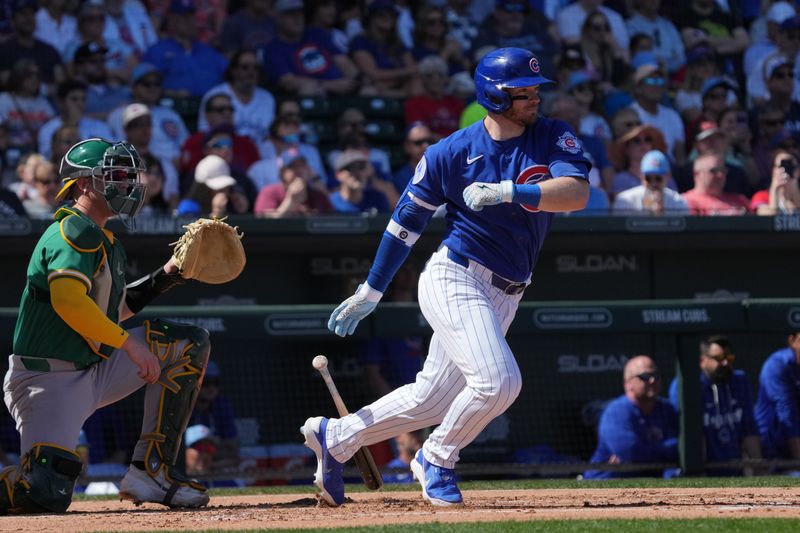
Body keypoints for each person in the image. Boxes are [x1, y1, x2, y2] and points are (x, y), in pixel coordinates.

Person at [304, 47, 589, 507]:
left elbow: (576, 193)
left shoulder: (553, 134)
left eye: (536, 88)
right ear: (494, 96)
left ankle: (335, 436)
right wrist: (372, 288)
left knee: (433, 399)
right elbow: (405, 223)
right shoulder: (451, 151)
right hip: (457, 276)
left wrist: (510, 192)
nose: (534, 97)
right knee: (499, 382)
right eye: (523, 90)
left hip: (508, 290)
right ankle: (436, 456)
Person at [0, 138, 211, 514]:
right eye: (115, 176)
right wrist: (128, 346)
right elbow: (69, 302)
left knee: (186, 342)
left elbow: (110, 312)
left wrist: (167, 275)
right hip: (47, 380)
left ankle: (153, 473)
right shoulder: (73, 231)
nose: (127, 185)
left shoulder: (104, 239)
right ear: (84, 184)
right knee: (44, 494)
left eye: (129, 177)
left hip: (92, 368)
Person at [668, 335, 761, 475]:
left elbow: (749, 429)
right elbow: (692, 437)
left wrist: (759, 467)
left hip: (735, 468)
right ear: (702, 361)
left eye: (728, 358)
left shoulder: (740, 380)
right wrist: (699, 474)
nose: (725, 363)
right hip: (702, 469)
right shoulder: (685, 385)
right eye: (718, 359)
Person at [583, 355, 678, 479]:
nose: (652, 381)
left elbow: (680, 447)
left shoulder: (667, 408)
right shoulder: (616, 411)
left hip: (651, 481)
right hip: (605, 483)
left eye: (656, 376)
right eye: (645, 377)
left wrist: (648, 450)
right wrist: (665, 452)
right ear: (628, 384)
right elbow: (631, 453)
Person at [755, 331, 800, 461]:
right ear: (793, 341)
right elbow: (786, 411)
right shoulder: (777, 364)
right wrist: (797, 457)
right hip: (772, 446)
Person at [254, 154, 332, 217]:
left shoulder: (318, 195)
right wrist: (290, 202)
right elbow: (264, 224)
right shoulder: (270, 192)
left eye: (302, 165)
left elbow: (332, 223)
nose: (299, 170)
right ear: (283, 173)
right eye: (293, 167)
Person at [612, 150, 688, 215]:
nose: (653, 183)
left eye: (658, 179)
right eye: (648, 178)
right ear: (641, 177)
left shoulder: (678, 202)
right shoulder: (625, 201)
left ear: (667, 177)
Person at [682, 153, 751, 215]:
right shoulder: (685, 201)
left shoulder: (740, 200)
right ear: (697, 174)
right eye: (713, 171)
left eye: (723, 170)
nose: (720, 175)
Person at [328, 150, 392, 215]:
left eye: (361, 167)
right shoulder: (330, 203)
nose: (358, 173)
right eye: (351, 168)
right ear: (338, 175)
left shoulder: (378, 199)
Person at [751, 149, 800, 214]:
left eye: (791, 166)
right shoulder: (761, 196)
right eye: (782, 165)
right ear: (773, 170)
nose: (786, 170)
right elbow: (769, 218)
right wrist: (774, 190)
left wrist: (795, 191)